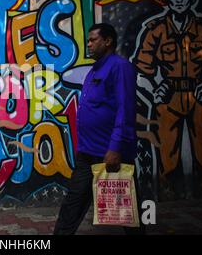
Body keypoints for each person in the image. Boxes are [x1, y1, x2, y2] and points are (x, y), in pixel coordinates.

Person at [132, 0, 202, 200]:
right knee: (167, 154)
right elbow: (141, 70)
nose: (180, 0)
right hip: (168, 96)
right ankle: (168, 194)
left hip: (200, 95)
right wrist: (155, 89)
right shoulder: (156, 30)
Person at [53, 23, 144, 235]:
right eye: (89, 41)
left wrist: (115, 148)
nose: (89, 44)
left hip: (110, 153)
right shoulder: (94, 70)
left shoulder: (119, 67)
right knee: (72, 205)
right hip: (87, 152)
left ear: (108, 41)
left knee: (127, 212)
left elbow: (125, 109)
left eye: (93, 40)